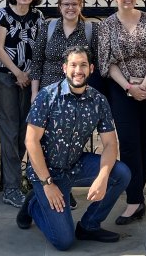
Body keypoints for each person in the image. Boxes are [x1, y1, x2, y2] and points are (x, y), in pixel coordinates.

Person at [16, 46, 131, 251]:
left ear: (91, 69)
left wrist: (103, 178)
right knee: (64, 241)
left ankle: (89, 225)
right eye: (73, 65)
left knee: (120, 173)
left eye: (83, 65)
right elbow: (31, 142)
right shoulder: (47, 96)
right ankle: (34, 204)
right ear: (64, 68)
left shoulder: (98, 100)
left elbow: (110, 144)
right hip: (46, 172)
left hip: (75, 164)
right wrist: (47, 184)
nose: (78, 70)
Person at [97, 0, 146, 224]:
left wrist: (144, 85)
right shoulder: (107, 26)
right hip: (121, 88)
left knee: (145, 143)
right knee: (128, 143)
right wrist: (129, 87)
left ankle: (139, 195)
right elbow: (106, 62)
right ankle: (133, 200)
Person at [0, 0, 45, 207]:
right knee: (9, 130)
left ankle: (17, 178)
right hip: (6, 77)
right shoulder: (3, 14)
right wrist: (17, 72)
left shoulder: (38, 16)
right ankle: (10, 187)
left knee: (26, 131)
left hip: (29, 80)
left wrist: (29, 75)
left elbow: (39, 49)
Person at [30, 0, 99, 100]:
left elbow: (97, 65)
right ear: (60, 6)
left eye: (74, 4)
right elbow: (37, 62)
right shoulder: (48, 28)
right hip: (49, 93)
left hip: (80, 93)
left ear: (80, 6)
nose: (70, 8)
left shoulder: (91, 30)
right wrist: (34, 93)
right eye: (66, 4)